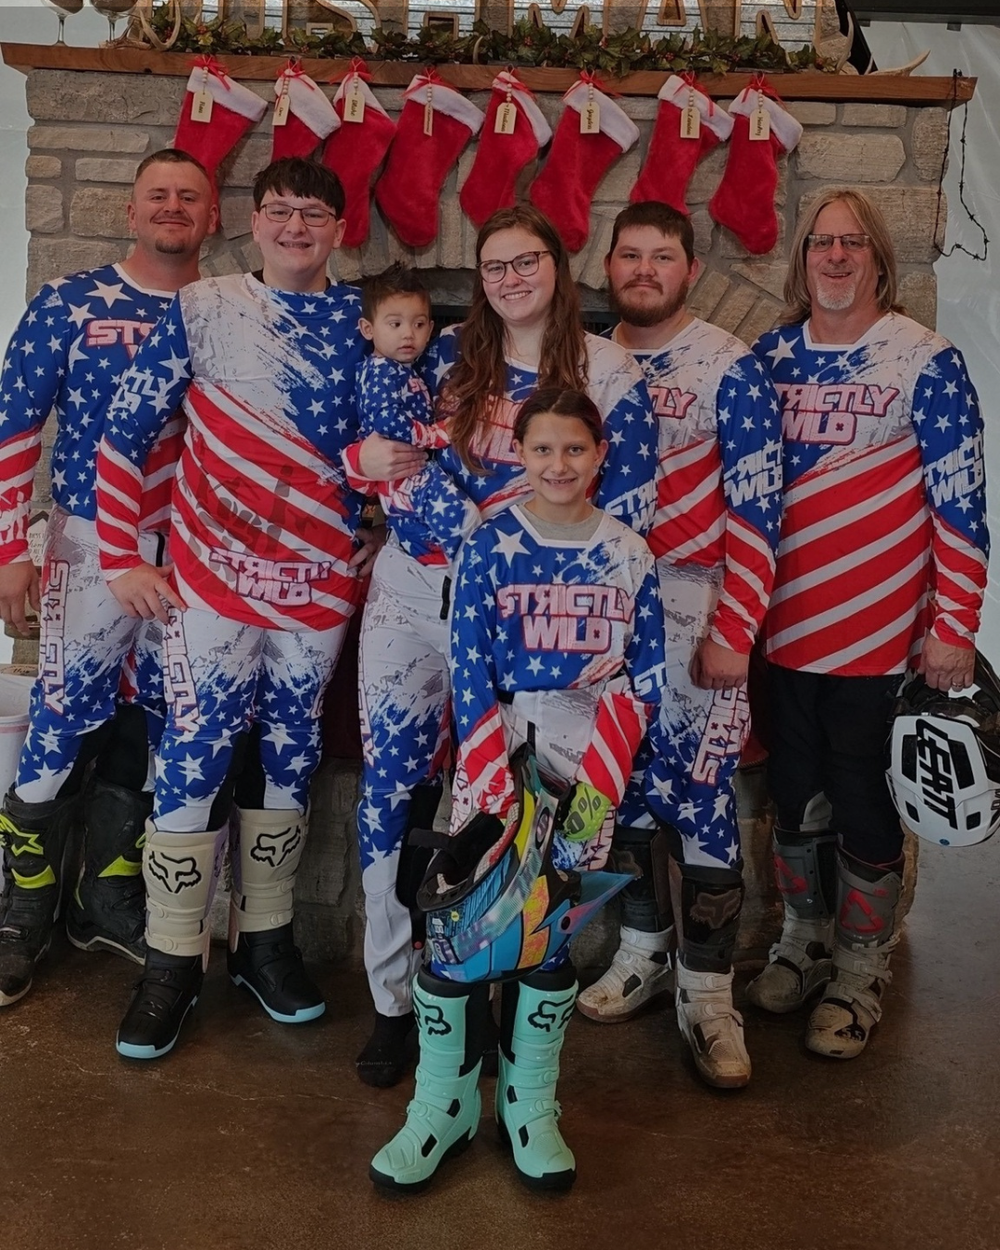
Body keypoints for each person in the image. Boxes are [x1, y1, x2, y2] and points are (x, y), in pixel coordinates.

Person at [345, 204, 656, 1089]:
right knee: (392, 787)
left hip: (535, 621)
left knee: (512, 802)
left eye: (528, 261)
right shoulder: (443, 355)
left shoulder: (609, 369)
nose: (511, 277)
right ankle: (396, 1001)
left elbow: (624, 506)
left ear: (560, 266)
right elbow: (388, 465)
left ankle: (495, 985)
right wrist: (368, 462)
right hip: (415, 593)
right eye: (493, 265)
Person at [94, 157, 377, 1059]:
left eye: (316, 212)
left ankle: (265, 944)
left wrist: (380, 522)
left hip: (317, 587)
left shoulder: (366, 322)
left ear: (342, 227)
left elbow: (399, 434)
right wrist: (117, 559)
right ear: (252, 222)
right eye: (282, 210)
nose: (297, 226)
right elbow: (122, 432)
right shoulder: (203, 306)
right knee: (194, 754)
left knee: (291, 760)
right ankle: (171, 962)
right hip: (210, 581)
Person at [370, 387, 666, 1193]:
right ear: (522, 456)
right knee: (463, 935)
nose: (559, 464)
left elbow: (643, 683)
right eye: (543, 450)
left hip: (587, 767)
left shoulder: (630, 554)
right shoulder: (493, 545)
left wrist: (597, 795)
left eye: (575, 449)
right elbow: (466, 663)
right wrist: (492, 776)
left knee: (550, 934)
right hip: (492, 763)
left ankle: (530, 1105)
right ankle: (443, 1105)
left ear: (599, 455)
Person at [750, 188, 988, 1058]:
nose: (837, 257)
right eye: (822, 243)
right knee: (791, 798)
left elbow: (962, 505)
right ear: (802, 258)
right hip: (780, 633)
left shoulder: (925, 360)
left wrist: (954, 623)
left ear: (880, 259)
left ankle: (859, 968)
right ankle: (801, 944)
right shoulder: (771, 356)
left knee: (863, 804)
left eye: (853, 243)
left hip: (882, 640)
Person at [0, 149, 218, 1008]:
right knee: (61, 714)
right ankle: (24, 908)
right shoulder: (70, 302)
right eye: (157, 195)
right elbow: (16, 424)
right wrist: (9, 546)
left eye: (188, 197)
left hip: (194, 549)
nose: (172, 207)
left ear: (213, 219)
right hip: (89, 541)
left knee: (159, 721)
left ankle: (106, 895)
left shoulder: (223, 310)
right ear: (130, 213)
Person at [576, 202, 782, 1090]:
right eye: (632, 255)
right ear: (608, 263)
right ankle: (643, 949)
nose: (646, 269)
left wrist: (736, 631)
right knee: (613, 789)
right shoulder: (583, 359)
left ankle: (708, 994)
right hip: (605, 612)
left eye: (664, 256)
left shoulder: (726, 367)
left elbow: (761, 507)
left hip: (698, 605)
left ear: (690, 270)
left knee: (702, 801)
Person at [355, 264, 466, 560]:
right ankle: (467, 566)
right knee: (458, 515)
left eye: (418, 324)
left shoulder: (403, 369)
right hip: (400, 467)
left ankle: (434, 562)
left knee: (418, 524)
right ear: (369, 329)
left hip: (410, 466)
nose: (408, 334)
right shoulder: (380, 371)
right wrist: (436, 434)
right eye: (395, 324)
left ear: (430, 329)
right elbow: (386, 420)